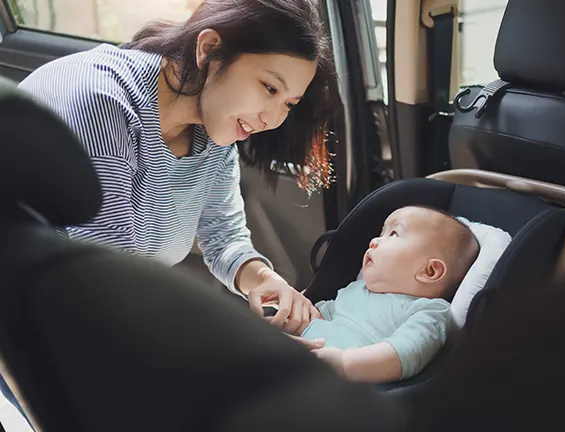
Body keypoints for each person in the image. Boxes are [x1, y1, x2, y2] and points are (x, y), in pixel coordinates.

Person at [16, 0, 340, 335]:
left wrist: (263, 279)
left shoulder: (214, 131)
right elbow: (106, 274)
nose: (271, 119)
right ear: (209, 50)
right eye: (269, 87)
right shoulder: (101, 103)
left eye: (288, 103)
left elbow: (223, 237)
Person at [291, 206, 480, 383]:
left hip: (337, 381)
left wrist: (344, 363)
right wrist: (293, 316)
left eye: (393, 233)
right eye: (381, 233)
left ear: (429, 271)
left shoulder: (429, 311)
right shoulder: (357, 288)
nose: (374, 241)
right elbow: (319, 314)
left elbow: (405, 352)